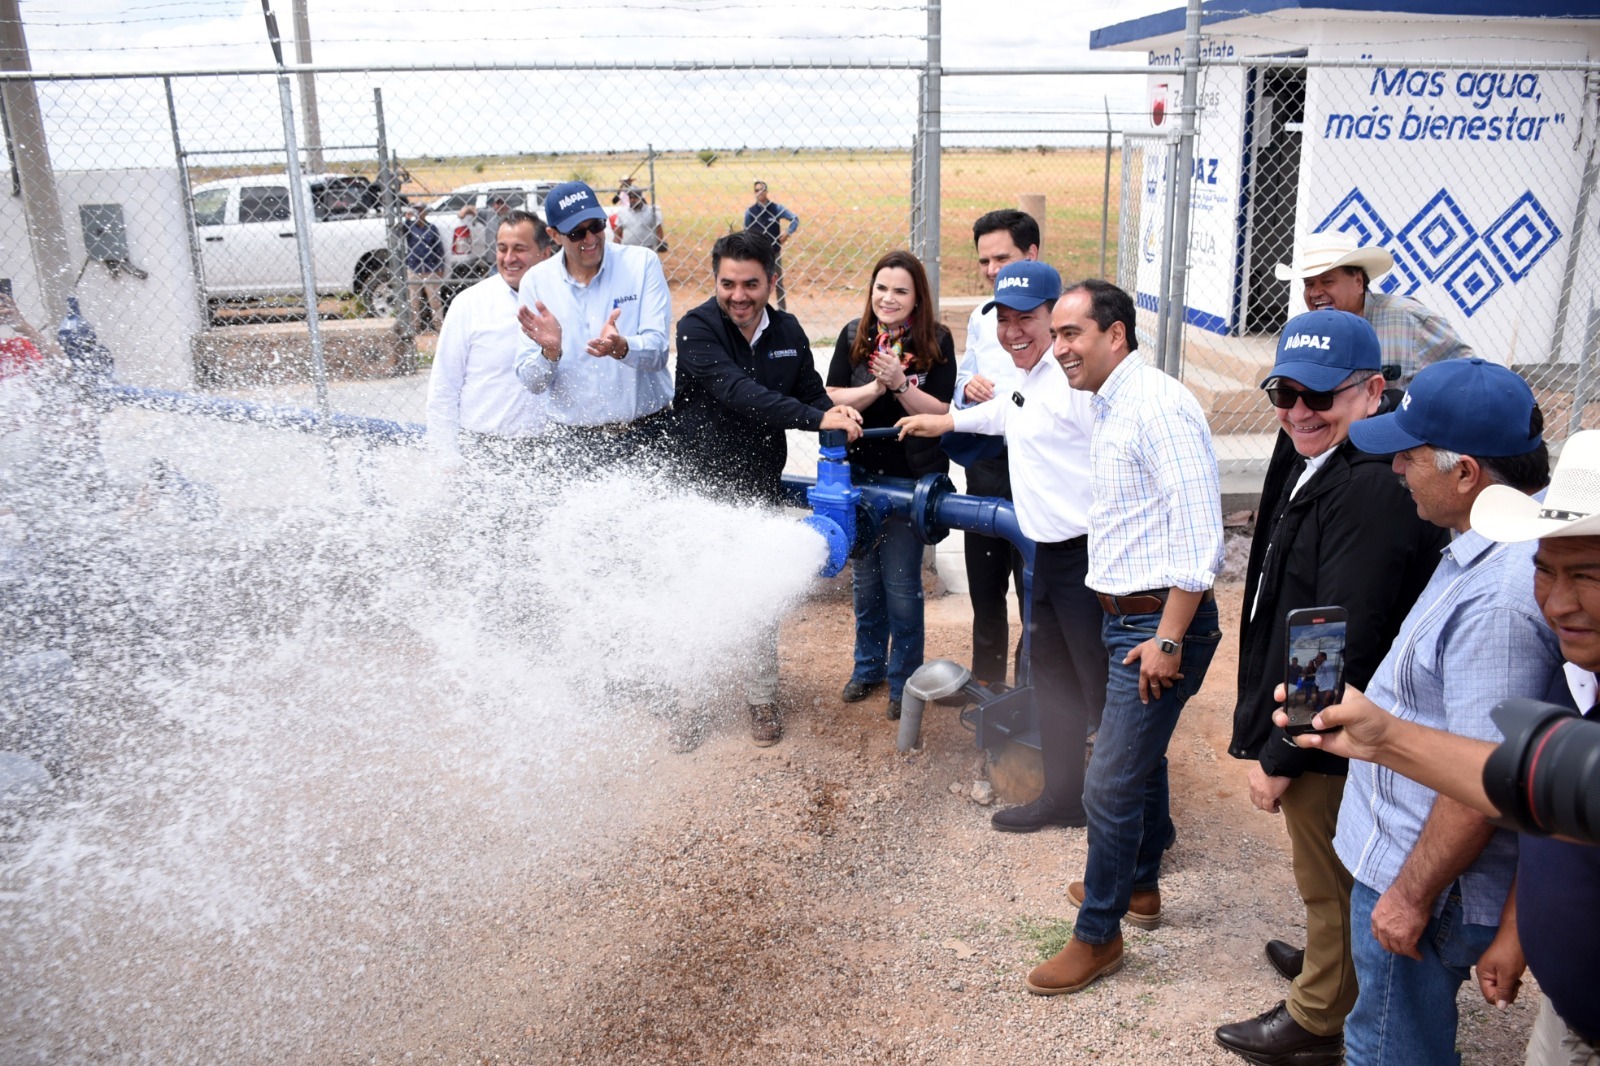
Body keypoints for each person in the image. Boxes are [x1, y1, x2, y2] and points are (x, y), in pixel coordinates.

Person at [1282, 428, 1600, 1066]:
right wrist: (1384, 736)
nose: (1558, 602)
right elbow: (1540, 789)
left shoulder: (1500, 607)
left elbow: (1522, 785)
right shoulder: (1577, 663)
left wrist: (1409, 895)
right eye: (1545, 570)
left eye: (1586, 576)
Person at [1213, 309, 1449, 1066]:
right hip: (1313, 713)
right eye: (1285, 393)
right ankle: (1330, 962)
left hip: (1337, 729)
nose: (1298, 412)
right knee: (1322, 867)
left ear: (1374, 392)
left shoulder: (1372, 486)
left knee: (1334, 871)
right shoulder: (1311, 452)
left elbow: (1339, 633)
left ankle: (1320, 1014)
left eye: (1322, 398)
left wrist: (1284, 754)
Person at [1326, 357, 1563, 1065]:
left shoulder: (1502, 599)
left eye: (1411, 452)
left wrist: (1408, 893)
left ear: (1466, 473)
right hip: (1418, 862)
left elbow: (1484, 781)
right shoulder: (1483, 547)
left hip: (1430, 876)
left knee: (1388, 1047)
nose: (1397, 466)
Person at [1020, 279, 1225, 996]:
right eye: (1057, 334)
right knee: (1140, 755)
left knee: (1108, 779)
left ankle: (1098, 937)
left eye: (1072, 333)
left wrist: (1168, 640)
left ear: (1116, 335)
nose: (1060, 347)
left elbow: (1201, 538)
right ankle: (1140, 888)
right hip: (1125, 618)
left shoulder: (1158, 406)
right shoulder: (1111, 402)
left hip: (1157, 623)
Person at [896, 260, 1104, 833]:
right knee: (1057, 685)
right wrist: (948, 423)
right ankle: (1064, 798)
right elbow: (1003, 410)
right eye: (1005, 319)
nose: (1013, 332)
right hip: (1050, 555)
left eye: (1028, 320)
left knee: (1105, 697)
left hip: (1089, 559)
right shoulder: (1032, 376)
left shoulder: (1079, 383)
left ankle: (1135, 828)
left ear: (1055, 317)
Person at [672, 231, 864, 745]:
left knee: (755, 593)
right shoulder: (696, 328)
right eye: (727, 283)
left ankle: (762, 699)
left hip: (756, 484)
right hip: (697, 486)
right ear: (715, 280)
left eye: (751, 284)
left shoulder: (787, 330)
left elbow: (809, 392)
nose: (738, 295)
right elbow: (739, 394)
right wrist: (818, 419)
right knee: (693, 595)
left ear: (771, 281)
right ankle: (687, 705)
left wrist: (834, 414)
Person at [825, 250, 955, 721]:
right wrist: (874, 391)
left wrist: (900, 384)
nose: (888, 298)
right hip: (859, 477)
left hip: (907, 480)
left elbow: (940, 411)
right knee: (865, 582)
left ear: (917, 296)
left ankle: (905, 681)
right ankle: (868, 668)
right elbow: (832, 395)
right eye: (881, 288)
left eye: (901, 290)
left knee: (902, 585)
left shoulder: (936, 341)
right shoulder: (853, 336)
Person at [513, 180, 674, 465]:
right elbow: (532, 382)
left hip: (647, 432)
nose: (591, 239)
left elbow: (659, 353)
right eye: (577, 232)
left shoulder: (642, 264)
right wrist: (549, 353)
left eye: (597, 225)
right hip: (573, 443)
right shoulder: (537, 284)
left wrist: (623, 348)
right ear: (554, 235)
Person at [951, 209, 1039, 691]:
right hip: (987, 463)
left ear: (1032, 254)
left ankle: (1033, 694)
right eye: (984, 260)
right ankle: (987, 691)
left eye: (1001, 258)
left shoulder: (1061, 316)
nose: (991, 270)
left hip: (1037, 466)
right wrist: (967, 390)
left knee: (1036, 593)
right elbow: (964, 377)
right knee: (986, 591)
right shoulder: (983, 318)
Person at [425, 210, 551, 468]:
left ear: (545, 253)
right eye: (502, 248)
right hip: (483, 451)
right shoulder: (469, 304)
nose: (509, 258)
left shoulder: (564, 301)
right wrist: (447, 457)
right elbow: (444, 387)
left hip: (550, 450)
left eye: (520, 249)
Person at [1276, 230, 1472, 384]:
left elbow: (1468, 374)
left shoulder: (1408, 320)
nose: (1315, 292)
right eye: (1309, 284)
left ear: (1359, 282)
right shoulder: (1306, 335)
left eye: (1327, 282)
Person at [744, 181, 799, 311]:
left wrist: (787, 233)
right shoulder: (750, 212)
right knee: (756, 282)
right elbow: (746, 232)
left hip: (774, 252)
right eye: (756, 190)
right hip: (756, 254)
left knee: (778, 282)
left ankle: (782, 310)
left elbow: (794, 219)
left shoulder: (776, 209)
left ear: (766, 192)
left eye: (762, 190)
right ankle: (758, 309)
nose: (759, 193)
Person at [403, 201, 447, 332]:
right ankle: (415, 326)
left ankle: (439, 326)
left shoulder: (431, 228)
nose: (418, 212)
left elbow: (438, 249)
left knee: (435, 300)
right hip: (414, 267)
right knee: (414, 300)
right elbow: (399, 235)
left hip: (429, 268)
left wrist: (440, 267)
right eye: (416, 210)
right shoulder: (409, 227)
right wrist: (407, 219)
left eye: (421, 210)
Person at [614, 181, 666, 253]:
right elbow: (617, 233)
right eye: (630, 197)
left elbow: (659, 231)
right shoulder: (623, 212)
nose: (633, 200)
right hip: (628, 250)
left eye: (635, 197)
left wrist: (655, 248)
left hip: (647, 250)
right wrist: (617, 248)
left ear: (641, 197)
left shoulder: (650, 212)